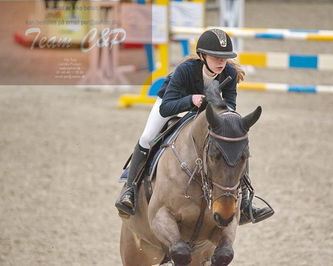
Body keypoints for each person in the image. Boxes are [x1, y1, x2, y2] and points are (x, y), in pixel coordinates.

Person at [115, 29, 273, 225]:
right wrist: (191, 99)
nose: (221, 62)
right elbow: (166, 107)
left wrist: (224, 118)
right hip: (174, 104)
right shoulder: (186, 69)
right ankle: (129, 191)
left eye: (225, 57)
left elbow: (230, 105)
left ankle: (246, 202)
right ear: (202, 56)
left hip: (205, 113)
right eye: (216, 57)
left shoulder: (230, 73)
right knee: (147, 137)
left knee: (235, 143)